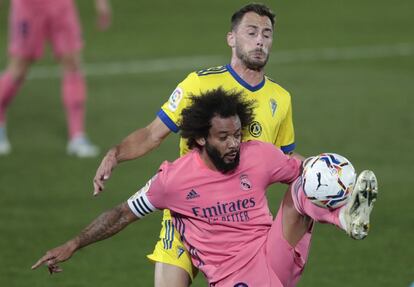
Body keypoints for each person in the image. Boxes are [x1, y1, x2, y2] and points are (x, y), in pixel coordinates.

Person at [32, 89, 378, 286]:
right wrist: (75, 243)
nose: (233, 144)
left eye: (237, 135)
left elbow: (302, 171)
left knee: (306, 180)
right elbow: (122, 213)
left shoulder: (258, 155)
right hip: (234, 278)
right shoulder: (174, 180)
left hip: (275, 253)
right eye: (223, 137)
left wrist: (334, 175)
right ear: (200, 138)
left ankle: (345, 218)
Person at [93, 3, 300, 286]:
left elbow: (287, 160)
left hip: (241, 227)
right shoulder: (198, 85)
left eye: (266, 34)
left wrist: (328, 171)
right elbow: (153, 134)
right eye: (251, 32)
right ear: (231, 38)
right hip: (187, 214)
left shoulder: (281, 98)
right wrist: (116, 154)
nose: (260, 41)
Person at [0, 0, 111, 157]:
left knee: (72, 63)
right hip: (28, 6)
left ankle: (77, 136)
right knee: (19, 67)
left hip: (60, 5)